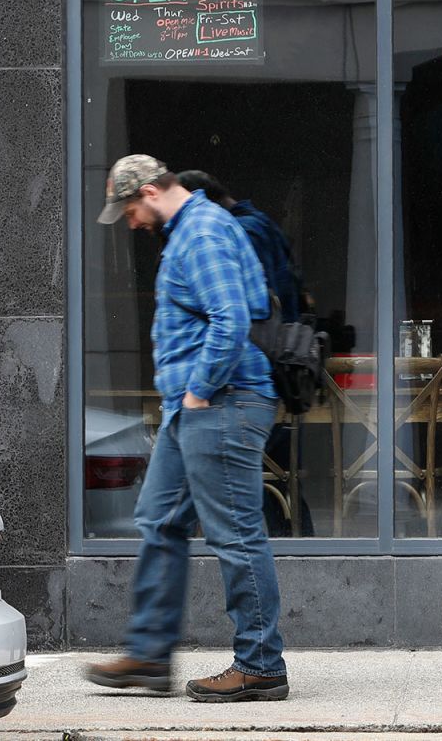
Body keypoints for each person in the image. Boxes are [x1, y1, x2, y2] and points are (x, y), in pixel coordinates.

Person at [84, 154, 289, 703]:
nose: (130, 222)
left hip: (220, 402)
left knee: (236, 533)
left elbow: (231, 317)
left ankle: (261, 664)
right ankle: (150, 657)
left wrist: (199, 390)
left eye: (129, 209)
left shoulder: (201, 232)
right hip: (193, 407)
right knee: (159, 518)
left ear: (150, 191)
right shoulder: (187, 232)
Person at [175, 169, 306, 322]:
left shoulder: (243, 232)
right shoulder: (258, 222)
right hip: (279, 332)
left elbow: (252, 303)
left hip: (266, 337)